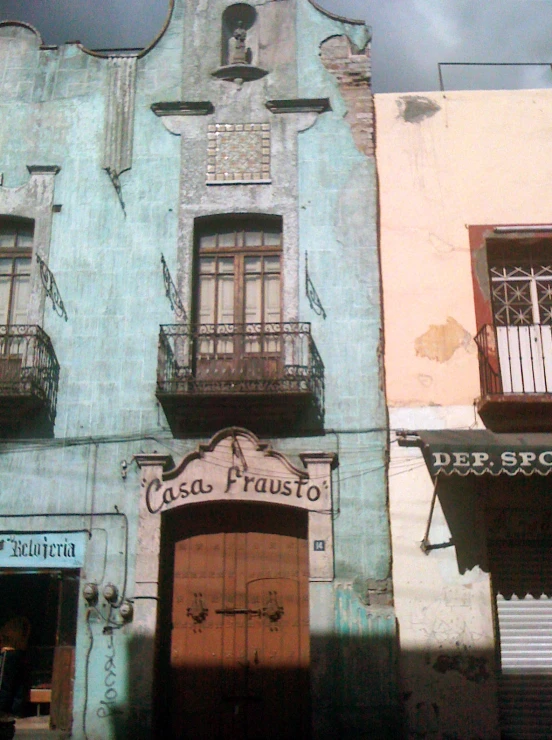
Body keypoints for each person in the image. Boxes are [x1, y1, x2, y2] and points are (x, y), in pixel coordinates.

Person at [0, 616, 31, 717]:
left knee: (4, 684)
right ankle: (17, 711)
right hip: (20, 652)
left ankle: (2, 709)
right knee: (19, 683)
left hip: (8, 651)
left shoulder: (9, 624)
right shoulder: (25, 623)